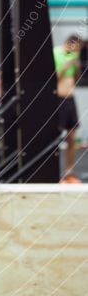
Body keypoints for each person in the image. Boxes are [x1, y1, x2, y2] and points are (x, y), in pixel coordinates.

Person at [53, 33, 82, 184]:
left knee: (72, 137)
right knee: (55, 137)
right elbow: (53, 78)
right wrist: (65, 66)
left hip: (71, 99)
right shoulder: (56, 53)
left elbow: (76, 78)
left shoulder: (74, 56)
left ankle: (69, 172)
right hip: (59, 99)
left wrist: (76, 66)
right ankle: (54, 173)